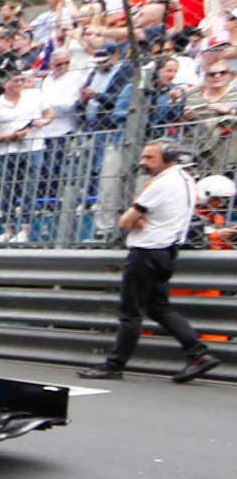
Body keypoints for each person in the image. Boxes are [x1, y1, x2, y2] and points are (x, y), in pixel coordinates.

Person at [78, 141, 222, 381]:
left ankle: (113, 366)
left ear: (168, 157)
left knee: (130, 312)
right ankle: (199, 354)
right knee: (158, 308)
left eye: (150, 158)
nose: (143, 162)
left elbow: (125, 221)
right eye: (143, 156)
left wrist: (135, 218)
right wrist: (139, 217)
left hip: (146, 251)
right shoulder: (185, 179)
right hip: (166, 251)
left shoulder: (162, 183)